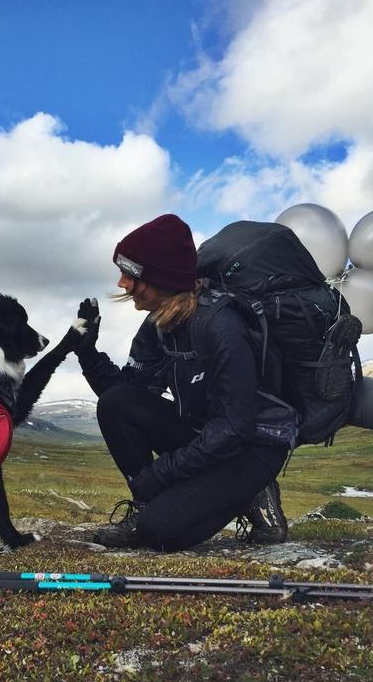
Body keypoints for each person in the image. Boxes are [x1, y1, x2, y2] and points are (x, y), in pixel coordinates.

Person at [71, 213, 294, 550]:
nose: (122, 284)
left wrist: (160, 475)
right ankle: (149, 505)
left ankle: (254, 491)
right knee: (115, 404)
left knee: (160, 532)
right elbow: (127, 397)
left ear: (161, 278)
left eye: (131, 274)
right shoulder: (160, 322)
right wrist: (88, 354)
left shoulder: (222, 327)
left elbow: (235, 428)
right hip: (209, 434)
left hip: (253, 446)